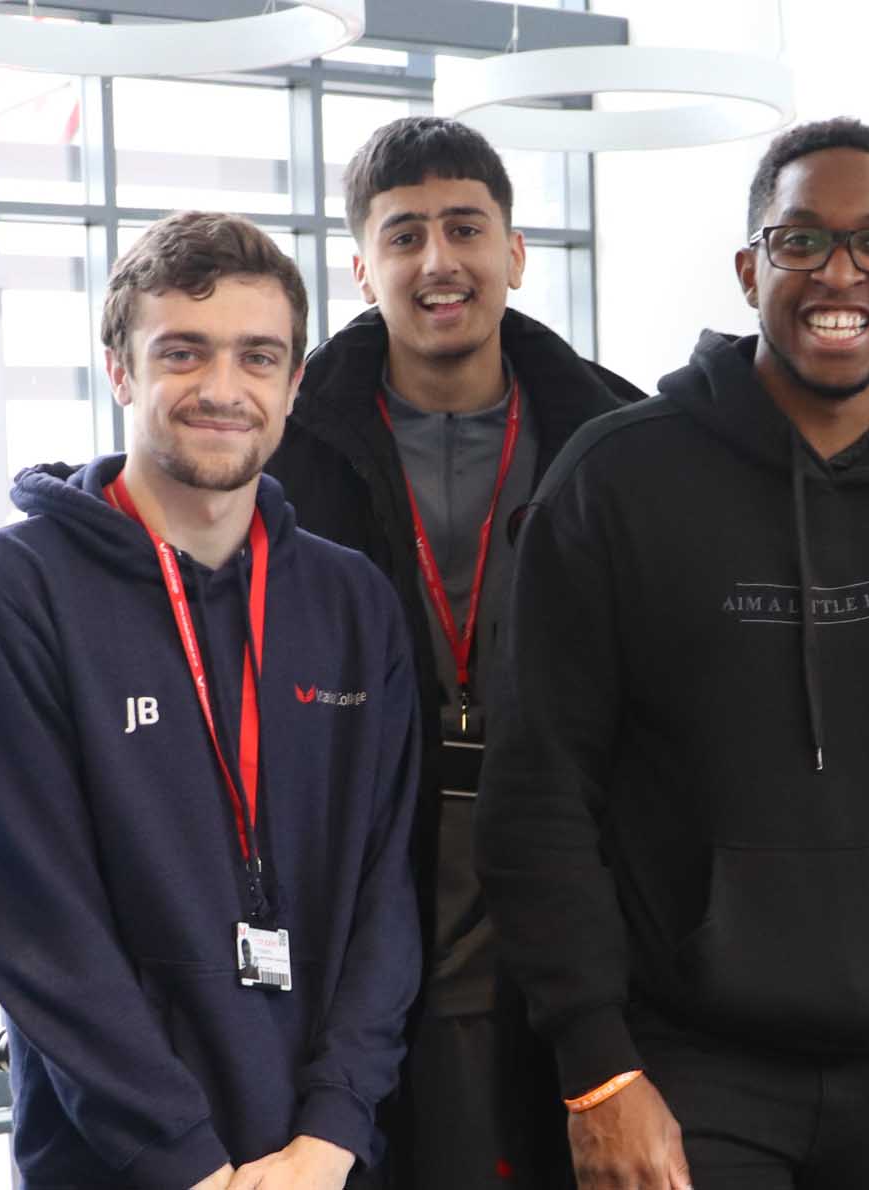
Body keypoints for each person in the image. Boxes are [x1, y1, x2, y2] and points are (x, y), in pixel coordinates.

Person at [476, 117, 869, 1190]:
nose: (839, 273)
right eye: (801, 241)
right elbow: (539, 787)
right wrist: (596, 1063)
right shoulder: (615, 481)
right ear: (751, 268)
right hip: (686, 1060)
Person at [0, 211, 422, 1190]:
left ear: (292, 383)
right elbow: (39, 928)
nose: (222, 389)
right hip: (119, 1166)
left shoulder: (350, 600)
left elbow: (389, 891)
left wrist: (331, 1132)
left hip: (325, 1166)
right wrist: (186, 1159)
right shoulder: (12, 594)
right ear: (121, 370)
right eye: (183, 352)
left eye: (258, 355)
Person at [265, 115, 642, 1190]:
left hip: (575, 895)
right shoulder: (284, 452)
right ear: (360, 264)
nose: (439, 261)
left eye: (466, 227)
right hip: (364, 900)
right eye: (405, 234)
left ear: (515, 252)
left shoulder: (617, 440)